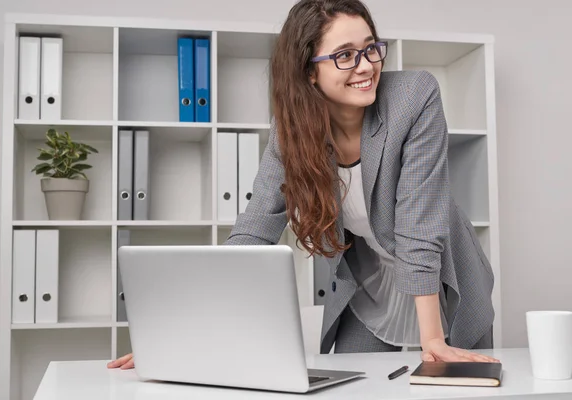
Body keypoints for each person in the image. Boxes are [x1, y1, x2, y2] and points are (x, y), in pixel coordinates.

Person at [108, 0, 499, 370]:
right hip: (370, 283)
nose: (365, 66)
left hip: (439, 278)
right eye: (344, 55)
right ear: (309, 71)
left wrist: (432, 339)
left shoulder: (414, 97)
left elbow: (419, 226)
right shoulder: (292, 130)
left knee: (459, 382)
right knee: (356, 389)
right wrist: (177, 337)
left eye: (370, 49)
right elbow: (255, 230)